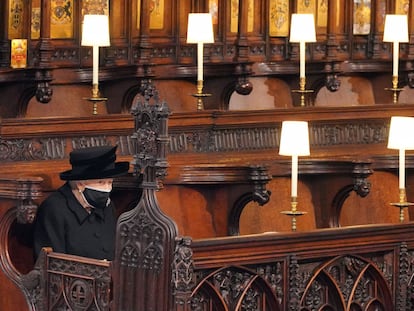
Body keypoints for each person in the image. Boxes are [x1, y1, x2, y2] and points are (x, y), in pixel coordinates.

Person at [33, 145, 129, 260]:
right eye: (101, 182)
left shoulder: (107, 206)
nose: (107, 188)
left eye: (110, 182)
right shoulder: (54, 209)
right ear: (80, 184)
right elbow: (51, 264)